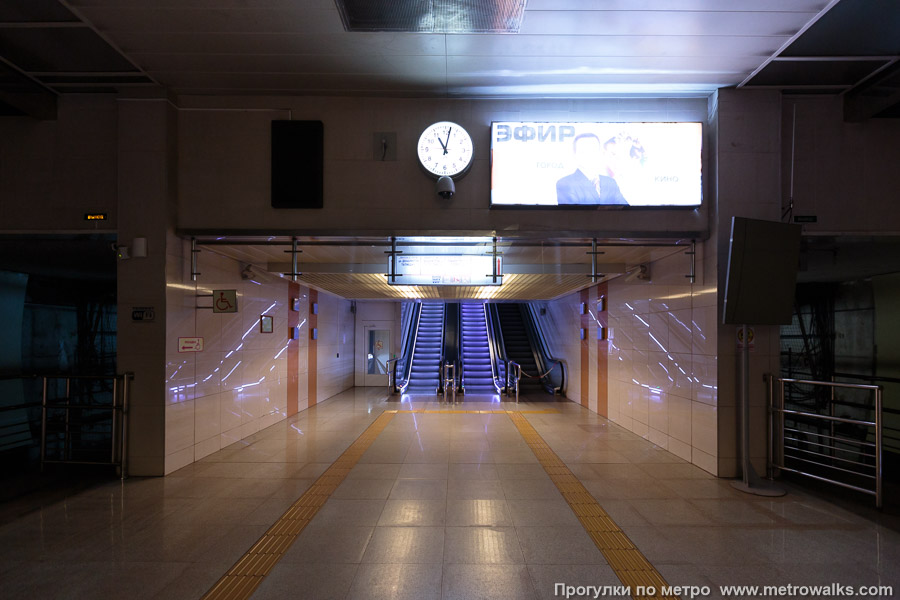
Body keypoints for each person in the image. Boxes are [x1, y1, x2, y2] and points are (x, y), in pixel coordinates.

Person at [556, 133, 628, 205]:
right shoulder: (565, 184)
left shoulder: (610, 182)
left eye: (593, 150)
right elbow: (572, 214)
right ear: (575, 154)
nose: (589, 155)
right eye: (584, 151)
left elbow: (627, 211)